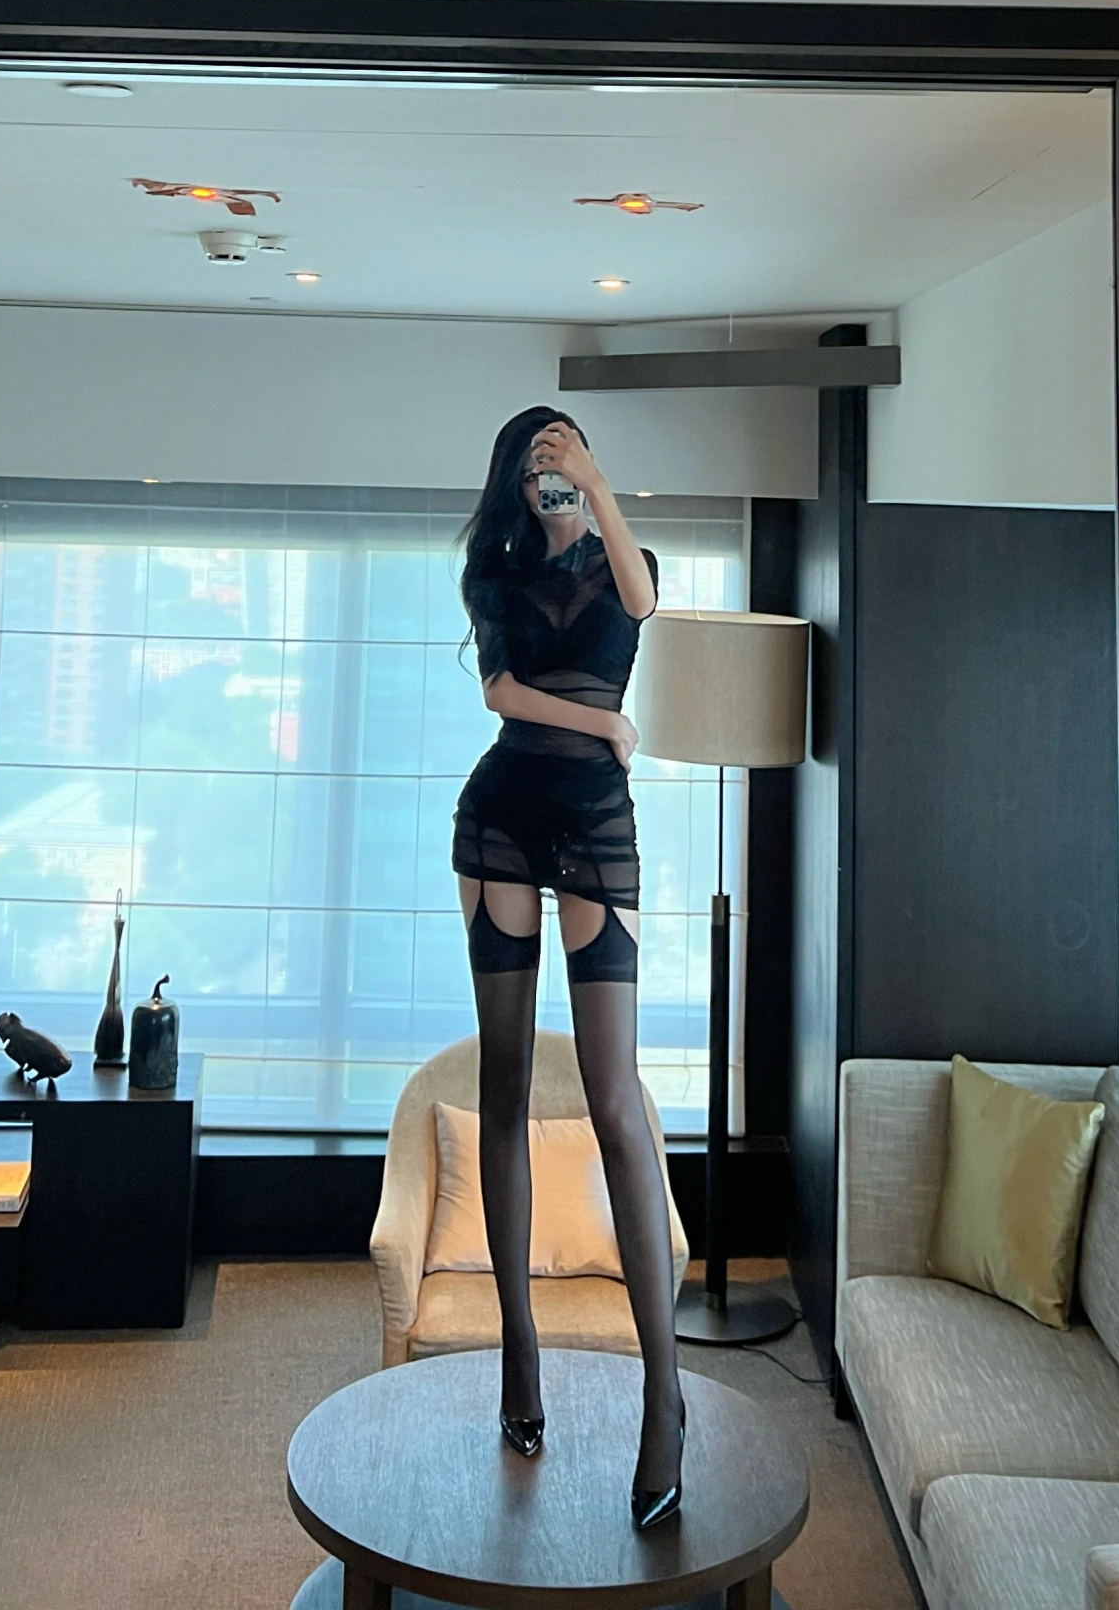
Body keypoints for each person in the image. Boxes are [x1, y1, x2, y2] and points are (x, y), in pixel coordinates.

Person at [452, 405, 685, 1531]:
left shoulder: (623, 556)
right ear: (512, 478)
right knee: (502, 1088)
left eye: (565, 453)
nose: (549, 471)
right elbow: (500, 694)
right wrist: (605, 728)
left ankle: (664, 1395)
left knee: (614, 1102)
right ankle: (520, 1354)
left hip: (596, 827)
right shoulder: (492, 573)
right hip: (501, 816)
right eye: (536, 460)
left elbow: (640, 604)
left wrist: (597, 488)